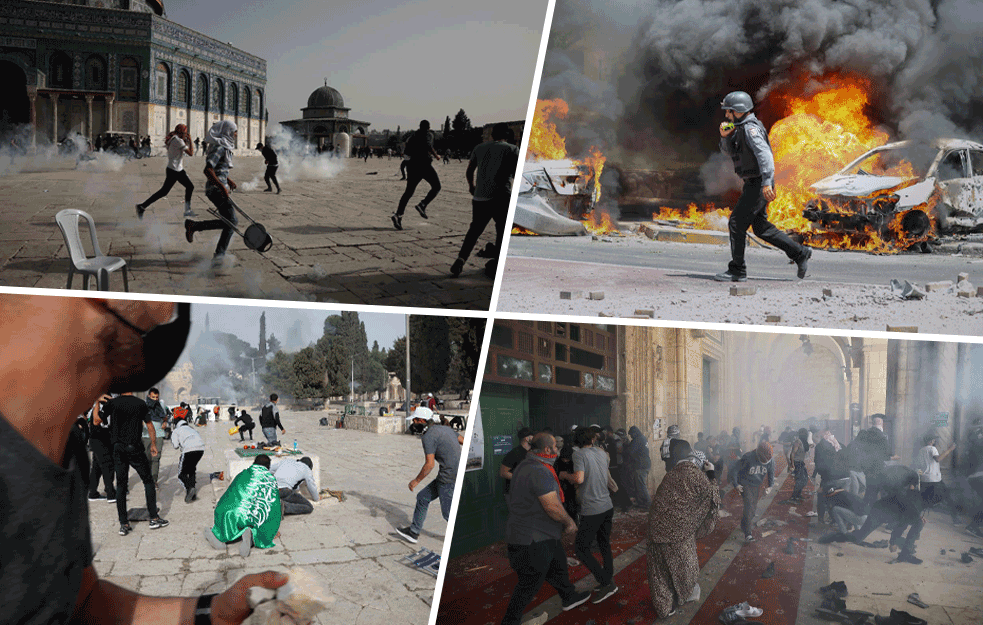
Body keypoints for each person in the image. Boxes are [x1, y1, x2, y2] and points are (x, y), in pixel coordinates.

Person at [0, 295, 289, 624]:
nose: (169, 312)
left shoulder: (66, 450)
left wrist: (213, 614)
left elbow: (83, 604)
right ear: (102, 288)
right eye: (166, 295)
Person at [714, 91, 812, 282]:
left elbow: (765, 156)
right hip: (754, 182)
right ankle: (800, 253)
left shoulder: (751, 130)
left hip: (759, 183)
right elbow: (728, 152)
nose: (727, 115)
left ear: (739, 111)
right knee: (760, 228)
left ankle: (737, 271)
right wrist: (725, 136)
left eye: (729, 111)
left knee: (736, 223)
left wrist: (767, 182)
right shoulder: (739, 127)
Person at [500, 433, 591, 625]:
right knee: (528, 584)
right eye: (556, 447)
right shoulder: (539, 470)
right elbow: (552, 506)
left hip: (541, 534)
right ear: (548, 449)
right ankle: (509, 622)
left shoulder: (524, 465)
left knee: (557, 563)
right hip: (532, 538)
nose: (558, 450)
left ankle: (569, 596)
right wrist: (569, 522)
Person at [647, 440, 720, 619]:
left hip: (655, 529)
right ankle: (684, 595)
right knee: (686, 569)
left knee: (659, 573)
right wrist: (712, 475)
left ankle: (664, 608)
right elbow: (714, 500)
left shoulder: (670, 474)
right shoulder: (696, 476)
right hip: (678, 533)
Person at [451, 122, 519, 278]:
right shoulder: (512, 149)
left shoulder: (479, 148)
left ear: (492, 134)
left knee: (474, 230)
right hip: (501, 196)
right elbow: (516, 173)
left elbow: (469, 171)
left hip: (480, 197)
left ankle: (461, 259)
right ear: (507, 135)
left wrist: (471, 186)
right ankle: (497, 263)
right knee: (502, 229)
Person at [561, 427, 619, 604]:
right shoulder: (601, 453)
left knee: (581, 548)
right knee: (603, 543)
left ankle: (606, 582)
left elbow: (578, 478)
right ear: (592, 439)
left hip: (592, 508)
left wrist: (564, 474)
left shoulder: (579, 455)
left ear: (575, 441)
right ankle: (607, 579)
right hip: (607, 505)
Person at [104, 390, 169, 536]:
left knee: (121, 485)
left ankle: (124, 524)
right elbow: (150, 426)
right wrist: (153, 444)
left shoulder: (112, 403)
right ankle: (154, 518)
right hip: (134, 447)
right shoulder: (140, 403)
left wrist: (97, 404)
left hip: (117, 448)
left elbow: (96, 421)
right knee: (148, 481)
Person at [397, 412, 463, 543]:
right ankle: (413, 532)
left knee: (448, 512)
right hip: (451, 473)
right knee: (423, 497)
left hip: (448, 477)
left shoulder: (428, 436)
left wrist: (415, 481)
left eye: (415, 421)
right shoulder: (446, 429)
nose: (413, 424)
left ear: (422, 420)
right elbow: (463, 441)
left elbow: (429, 464)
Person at [204, 455, 282, 557]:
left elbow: (229, 494)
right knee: (259, 522)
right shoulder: (271, 479)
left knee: (226, 518)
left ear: (254, 463)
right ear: (268, 466)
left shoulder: (244, 473)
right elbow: (274, 506)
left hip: (231, 515)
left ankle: (218, 537)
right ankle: (251, 537)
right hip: (252, 517)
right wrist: (271, 529)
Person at [185, 120, 239, 264]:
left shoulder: (224, 146)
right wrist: (222, 186)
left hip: (219, 187)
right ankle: (219, 257)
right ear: (227, 131)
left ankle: (194, 226)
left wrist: (228, 180)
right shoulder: (219, 147)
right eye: (234, 131)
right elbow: (208, 170)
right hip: (216, 190)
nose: (236, 134)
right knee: (232, 221)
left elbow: (218, 170)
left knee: (229, 222)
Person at [850, 470, 925, 564]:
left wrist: (917, 516)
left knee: (919, 522)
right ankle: (847, 526)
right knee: (858, 538)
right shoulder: (901, 494)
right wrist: (893, 543)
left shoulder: (913, 496)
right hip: (878, 514)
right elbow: (901, 525)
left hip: (892, 515)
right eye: (912, 485)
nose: (914, 487)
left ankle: (905, 554)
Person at [136, 124, 195, 219]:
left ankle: (142, 206)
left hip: (174, 168)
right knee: (187, 187)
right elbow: (191, 153)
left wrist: (185, 140)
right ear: (180, 132)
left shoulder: (173, 139)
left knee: (165, 191)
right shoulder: (178, 141)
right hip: (175, 170)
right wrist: (190, 139)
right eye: (185, 132)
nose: (186, 134)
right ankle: (142, 206)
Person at [391, 120, 441, 230]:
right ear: (428, 127)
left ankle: (398, 215)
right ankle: (422, 205)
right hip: (424, 165)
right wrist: (436, 155)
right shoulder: (428, 135)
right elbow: (428, 145)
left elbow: (406, 152)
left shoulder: (412, 136)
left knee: (408, 192)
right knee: (437, 186)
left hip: (412, 166)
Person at [732, 441, 775, 541]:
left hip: (756, 485)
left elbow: (771, 474)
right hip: (745, 483)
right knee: (749, 505)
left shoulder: (771, 460)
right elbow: (735, 470)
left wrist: (770, 487)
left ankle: (744, 524)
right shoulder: (748, 457)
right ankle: (748, 533)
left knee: (753, 508)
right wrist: (736, 484)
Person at [914, 433, 958, 524]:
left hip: (924, 479)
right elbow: (938, 459)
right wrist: (950, 449)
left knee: (922, 501)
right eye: (934, 440)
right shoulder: (932, 448)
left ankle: (909, 518)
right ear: (931, 441)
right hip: (934, 479)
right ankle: (956, 520)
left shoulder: (921, 450)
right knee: (948, 497)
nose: (935, 441)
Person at [170, 410, 205, 503]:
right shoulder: (192, 429)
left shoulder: (176, 431)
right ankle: (193, 492)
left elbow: (175, 446)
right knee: (192, 469)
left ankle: (190, 488)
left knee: (181, 474)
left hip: (188, 450)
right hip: (200, 449)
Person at [87, 397, 117, 503]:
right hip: (99, 442)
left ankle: (92, 492)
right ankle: (111, 494)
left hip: (103, 441)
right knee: (107, 466)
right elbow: (96, 421)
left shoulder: (108, 409)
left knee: (96, 468)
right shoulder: (96, 409)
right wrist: (98, 402)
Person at [144, 387, 169, 484]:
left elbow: (165, 415)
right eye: (152, 397)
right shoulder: (144, 405)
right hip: (146, 434)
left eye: (156, 397)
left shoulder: (161, 404)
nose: (154, 399)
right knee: (147, 458)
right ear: (148, 396)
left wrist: (165, 422)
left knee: (156, 457)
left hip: (158, 434)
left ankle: (153, 481)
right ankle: (147, 478)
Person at [500, 427, 534, 498]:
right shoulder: (514, 453)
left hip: (528, 491)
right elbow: (503, 473)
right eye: (532, 437)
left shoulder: (532, 452)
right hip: (514, 492)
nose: (534, 439)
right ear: (527, 438)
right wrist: (522, 478)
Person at [625, 425, 652, 509]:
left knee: (641, 485)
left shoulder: (637, 440)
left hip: (641, 466)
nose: (631, 436)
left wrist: (626, 444)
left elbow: (629, 451)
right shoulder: (642, 438)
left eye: (631, 434)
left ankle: (649, 504)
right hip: (644, 464)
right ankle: (641, 503)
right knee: (638, 485)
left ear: (635, 433)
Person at [788, 428, 810, 503]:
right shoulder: (798, 441)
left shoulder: (803, 442)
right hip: (797, 463)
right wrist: (792, 464)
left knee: (804, 479)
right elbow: (792, 453)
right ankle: (794, 497)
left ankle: (798, 495)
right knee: (799, 480)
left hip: (800, 462)